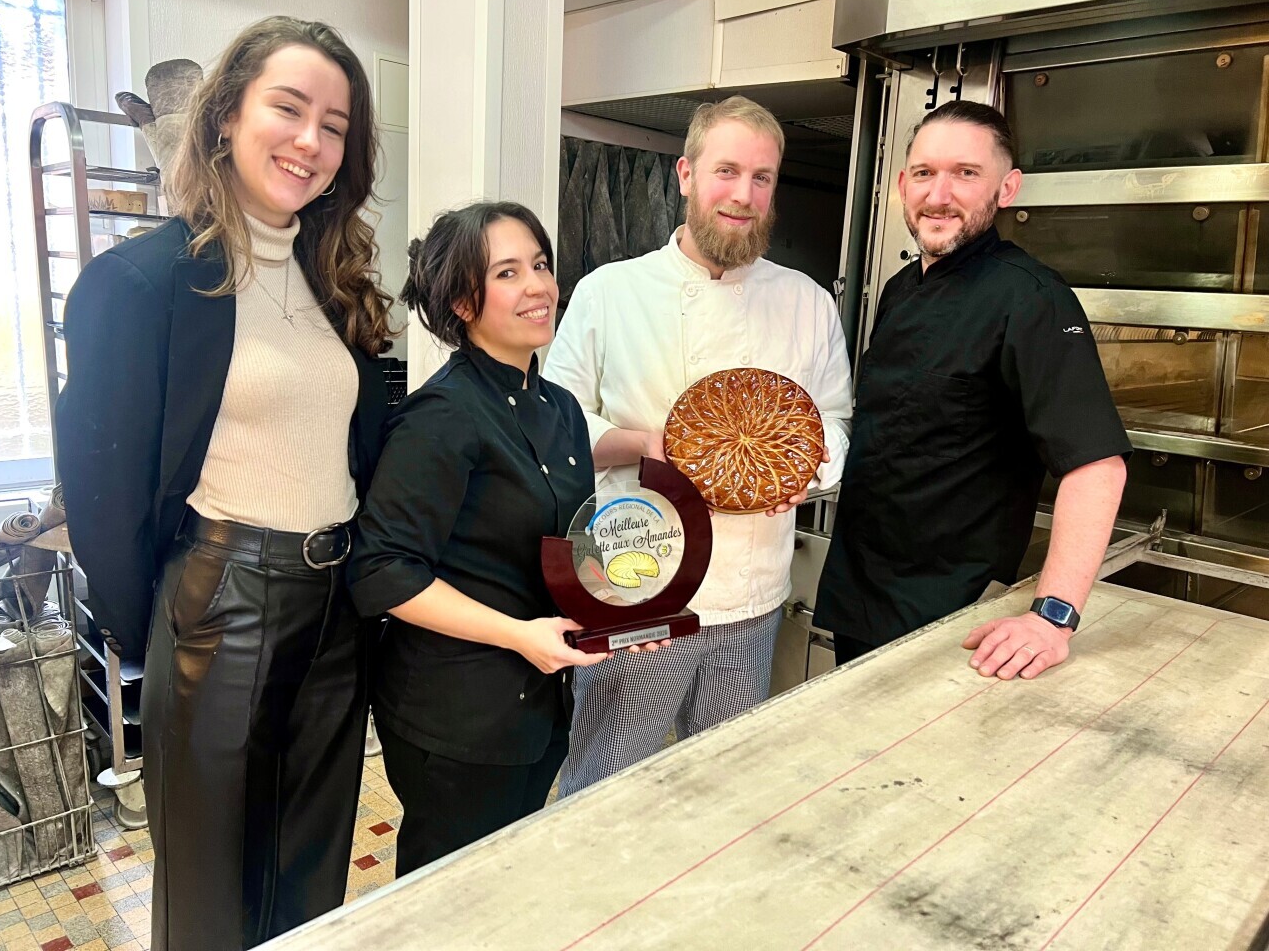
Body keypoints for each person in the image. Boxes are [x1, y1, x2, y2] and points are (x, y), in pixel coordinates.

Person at [55, 16, 397, 950]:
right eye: (288, 109)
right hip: (224, 601)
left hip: (335, 605)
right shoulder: (143, 283)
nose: (311, 141)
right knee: (211, 897)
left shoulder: (334, 282)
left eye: (334, 125)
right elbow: (103, 491)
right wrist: (167, 613)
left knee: (311, 873)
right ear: (224, 120)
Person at [544, 96, 853, 796]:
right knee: (606, 781)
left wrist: (797, 466)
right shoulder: (610, 292)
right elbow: (556, 423)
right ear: (686, 174)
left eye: (763, 178)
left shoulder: (807, 301)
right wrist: (642, 442)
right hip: (636, 588)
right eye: (727, 171)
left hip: (751, 595)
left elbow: (834, 419)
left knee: (727, 785)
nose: (743, 196)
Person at [813, 100, 1130, 680]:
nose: (939, 195)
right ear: (903, 184)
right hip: (860, 593)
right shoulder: (900, 290)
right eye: (925, 174)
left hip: (953, 620)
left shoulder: (1031, 297)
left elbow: (1097, 466)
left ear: (1006, 189)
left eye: (966, 174)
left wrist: (1052, 618)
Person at [347, 202, 608, 875]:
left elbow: (566, 546)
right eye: (509, 272)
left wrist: (621, 596)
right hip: (455, 719)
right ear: (464, 300)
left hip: (541, 707)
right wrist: (520, 634)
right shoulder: (442, 416)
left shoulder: (563, 411)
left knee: (504, 882)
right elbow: (382, 570)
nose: (538, 286)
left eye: (542, 265)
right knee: (446, 897)